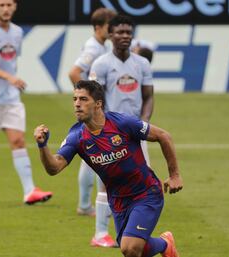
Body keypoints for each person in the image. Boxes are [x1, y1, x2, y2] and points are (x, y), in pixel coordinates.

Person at [34, 80, 183, 257]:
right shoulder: (77, 137)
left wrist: (174, 175)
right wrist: (42, 146)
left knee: (130, 247)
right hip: (118, 200)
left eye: (83, 99)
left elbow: (163, 136)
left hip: (145, 192)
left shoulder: (122, 123)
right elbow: (54, 168)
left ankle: (163, 245)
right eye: (74, 99)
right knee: (130, 247)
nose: (77, 104)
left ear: (98, 104)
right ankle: (165, 245)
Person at [85, 14, 156, 247]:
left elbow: (148, 96)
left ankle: (130, 230)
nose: (125, 36)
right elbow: (94, 100)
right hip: (110, 132)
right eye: (120, 32)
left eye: (128, 32)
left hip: (135, 131)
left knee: (143, 180)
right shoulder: (101, 64)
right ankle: (99, 234)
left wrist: (143, 124)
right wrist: (102, 128)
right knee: (108, 181)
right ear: (111, 34)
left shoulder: (142, 64)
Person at [0, 0, 53, 206]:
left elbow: (11, 60)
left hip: (11, 97)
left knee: (18, 141)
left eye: (9, 4)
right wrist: (10, 78)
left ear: (15, 7)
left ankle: (29, 191)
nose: (6, 8)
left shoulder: (17, 32)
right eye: (2, 5)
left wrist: (11, 81)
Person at [68, 7, 118, 247]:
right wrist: (85, 96)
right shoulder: (93, 48)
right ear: (100, 27)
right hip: (94, 110)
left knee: (89, 156)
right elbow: (74, 71)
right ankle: (86, 204)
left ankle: (85, 204)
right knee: (93, 156)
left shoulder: (100, 47)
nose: (115, 29)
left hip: (95, 109)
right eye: (111, 26)